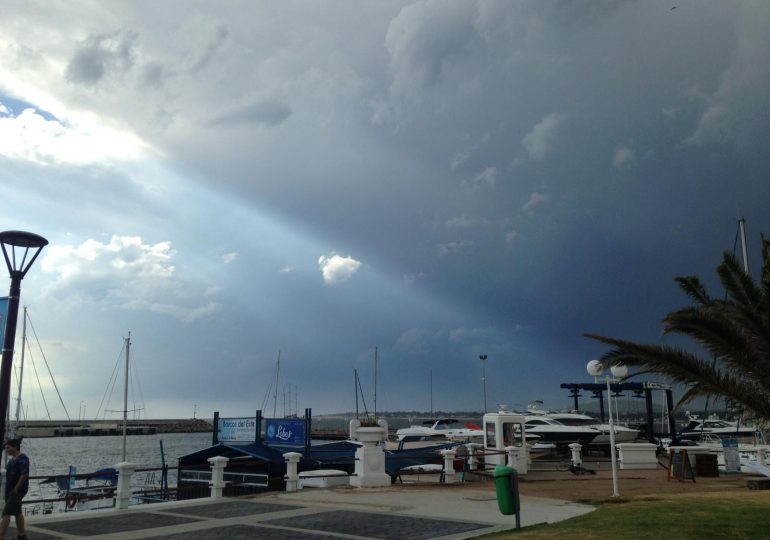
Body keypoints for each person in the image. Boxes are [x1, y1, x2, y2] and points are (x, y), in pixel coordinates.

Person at [0, 438, 28, 540]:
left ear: (15, 447)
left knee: (6, 512)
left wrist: (16, 489)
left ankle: (0, 536)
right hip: (10, 490)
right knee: (17, 512)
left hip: (17, 491)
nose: (6, 450)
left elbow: (24, 474)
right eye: (5, 448)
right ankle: (22, 535)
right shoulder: (12, 460)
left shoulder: (23, 458)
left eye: (8, 447)